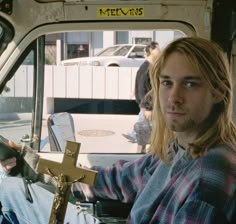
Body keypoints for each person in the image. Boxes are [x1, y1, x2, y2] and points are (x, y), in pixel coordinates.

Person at [0, 36, 236, 223]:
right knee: (9, 187)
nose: (173, 97)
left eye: (190, 84)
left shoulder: (209, 179)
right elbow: (115, 180)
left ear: (218, 92)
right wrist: (32, 164)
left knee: (8, 193)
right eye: (167, 83)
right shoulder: (177, 149)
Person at [122, 41, 160, 151]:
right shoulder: (147, 68)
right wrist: (148, 107)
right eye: (157, 49)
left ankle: (134, 138)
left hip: (146, 105)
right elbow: (143, 88)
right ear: (151, 52)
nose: (160, 51)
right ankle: (139, 156)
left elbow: (140, 85)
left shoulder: (147, 66)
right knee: (144, 137)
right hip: (147, 106)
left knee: (146, 134)